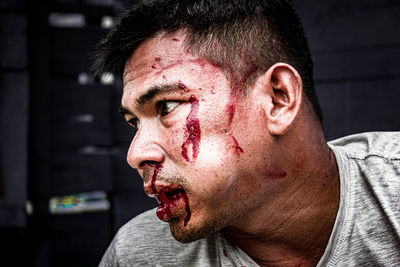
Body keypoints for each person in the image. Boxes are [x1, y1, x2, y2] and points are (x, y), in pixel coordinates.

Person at [94, 0, 400, 266]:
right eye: (134, 122)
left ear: (278, 99)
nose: (135, 155)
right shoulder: (138, 255)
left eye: (168, 106)